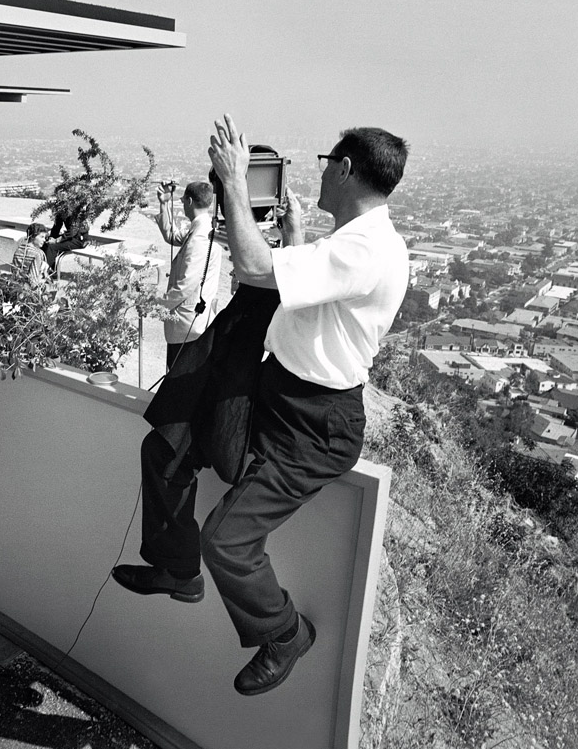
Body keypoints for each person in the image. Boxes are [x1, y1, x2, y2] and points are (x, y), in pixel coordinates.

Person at [112, 118, 409, 697]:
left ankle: (284, 633)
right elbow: (304, 298)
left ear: (346, 168)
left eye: (327, 162)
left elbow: (252, 268)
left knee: (227, 541)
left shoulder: (368, 249)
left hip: (315, 425)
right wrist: (293, 237)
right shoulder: (351, 241)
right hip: (276, 396)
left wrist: (233, 181)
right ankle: (176, 569)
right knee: (166, 448)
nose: (320, 172)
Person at [154, 181, 222, 369]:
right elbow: (172, 235)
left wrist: (159, 305)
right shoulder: (202, 228)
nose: (183, 204)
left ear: (189, 201)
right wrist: (164, 204)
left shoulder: (200, 237)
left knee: (180, 377)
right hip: (192, 323)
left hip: (188, 325)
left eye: (183, 200)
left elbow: (186, 285)